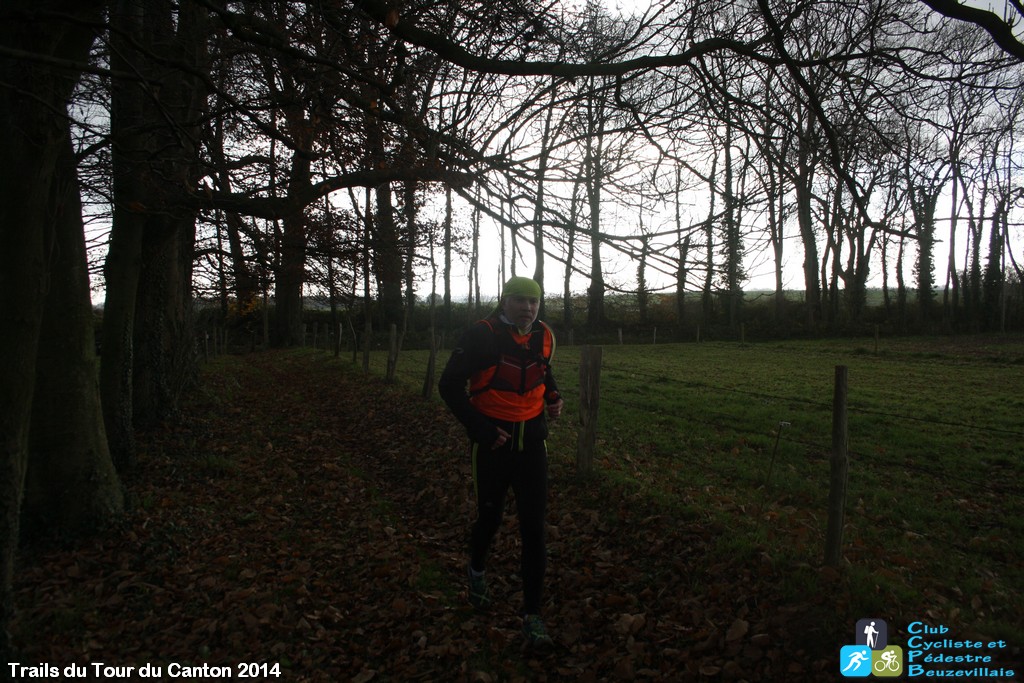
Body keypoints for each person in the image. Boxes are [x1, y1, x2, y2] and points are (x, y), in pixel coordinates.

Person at [438, 276, 564, 651]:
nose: (528, 308)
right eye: (520, 300)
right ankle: (476, 570)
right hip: (492, 444)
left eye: (534, 301)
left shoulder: (544, 335)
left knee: (534, 528)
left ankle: (532, 615)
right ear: (504, 301)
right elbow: (449, 385)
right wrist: (479, 428)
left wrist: (554, 396)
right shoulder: (482, 335)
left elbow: (541, 369)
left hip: (532, 444)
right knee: (490, 518)